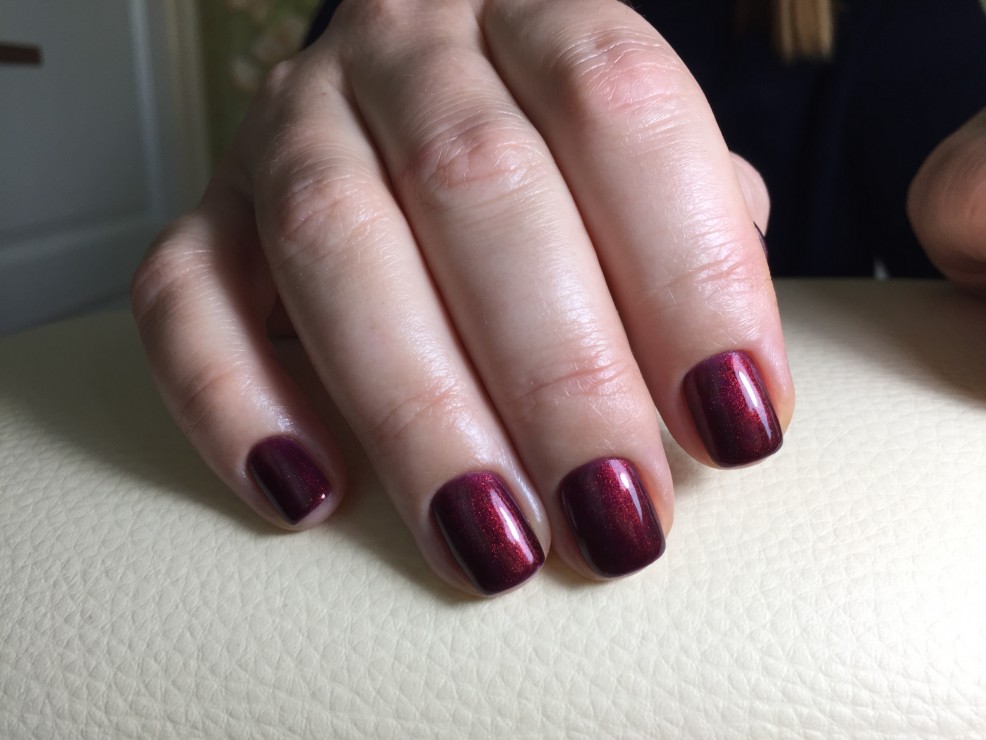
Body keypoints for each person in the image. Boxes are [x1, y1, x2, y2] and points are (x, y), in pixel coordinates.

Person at [130, 0, 986, 596]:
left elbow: (950, 190)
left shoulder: (897, 21)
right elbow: (310, 221)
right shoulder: (392, 18)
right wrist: (313, 218)